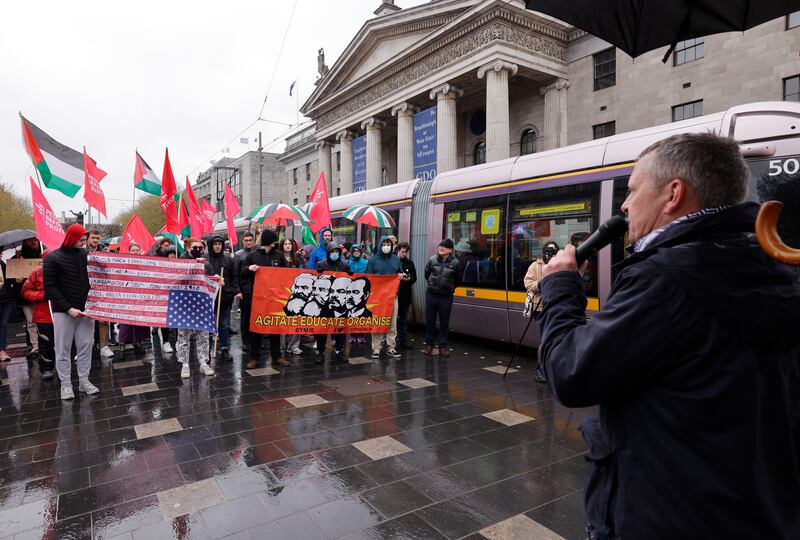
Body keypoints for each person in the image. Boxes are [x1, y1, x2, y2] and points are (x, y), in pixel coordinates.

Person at [538, 133, 800, 539]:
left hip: (667, 513)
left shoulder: (665, 277)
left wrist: (559, 289)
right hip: (755, 510)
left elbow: (571, 373)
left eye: (632, 190)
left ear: (673, 194)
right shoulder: (769, 264)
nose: (624, 205)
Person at [43, 224, 99, 400]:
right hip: (63, 311)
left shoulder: (87, 255)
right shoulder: (53, 258)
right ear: (71, 238)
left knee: (85, 346)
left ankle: (84, 381)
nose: (84, 243)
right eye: (81, 240)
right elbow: (50, 288)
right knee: (62, 348)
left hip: (87, 310)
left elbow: (98, 278)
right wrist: (68, 308)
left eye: (85, 240)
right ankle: (66, 383)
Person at [240, 229, 288, 369]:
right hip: (258, 298)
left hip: (275, 298)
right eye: (273, 240)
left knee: (274, 327)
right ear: (269, 241)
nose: (276, 242)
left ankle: (277, 356)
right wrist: (249, 269)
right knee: (256, 327)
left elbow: (286, 274)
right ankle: (254, 357)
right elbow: (242, 274)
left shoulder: (278, 256)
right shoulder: (252, 256)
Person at [173, 239, 216, 378]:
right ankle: (185, 364)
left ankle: (203, 362)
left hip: (201, 304)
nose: (198, 249)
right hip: (184, 304)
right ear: (187, 249)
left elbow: (210, 279)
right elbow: (176, 279)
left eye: (200, 247)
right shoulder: (180, 262)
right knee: (183, 336)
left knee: (202, 334)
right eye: (194, 247)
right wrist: (193, 265)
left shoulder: (206, 262)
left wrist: (217, 280)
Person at [523, 240, 559, 383]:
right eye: (549, 251)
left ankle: (549, 367)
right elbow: (528, 283)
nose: (551, 254)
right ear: (544, 252)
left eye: (554, 251)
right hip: (541, 307)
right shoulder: (535, 266)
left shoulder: (558, 265)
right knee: (545, 340)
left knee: (553, 339)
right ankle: (540, 369)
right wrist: (542, 283)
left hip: (556, 306)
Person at [366, 236, 402, 359]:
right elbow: (369, 277)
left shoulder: (396, 259)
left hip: (392, 297)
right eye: (384, 244)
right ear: (380, 245)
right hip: (377, 298)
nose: (386, 246)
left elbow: (399, 272)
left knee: (392, 323)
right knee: (377, 322)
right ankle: (376, 348)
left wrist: (402, 276)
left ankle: (391, 347)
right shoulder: (373, 260)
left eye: (388, 244)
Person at [21, 250, 55, 378]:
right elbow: (26, 291)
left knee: (65, 344)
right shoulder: (36, 274)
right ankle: (46, 368)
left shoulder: (65, 273)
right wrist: (42, 296)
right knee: (46, 344)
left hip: (62, 315)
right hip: (43, 316)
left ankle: (66, 368)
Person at [423, 239, 460, 357]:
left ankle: (442, 347)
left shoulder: (456, 263)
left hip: (446, 296)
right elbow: (426, 274)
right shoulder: (432, 259)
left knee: (444, 322)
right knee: (430, 321)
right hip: (432, 294)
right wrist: (433, 285)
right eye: (440, 246)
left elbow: (458, 279)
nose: (441, 248)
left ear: (450, 250)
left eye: (444, 247)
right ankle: (429, 344)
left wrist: (449, 288)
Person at [314, 243, 349, 364]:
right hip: (324, 304)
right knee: (322, 329)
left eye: (337, 251)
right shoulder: (321, 264)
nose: (335, 254)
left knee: (340, 329)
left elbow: (349, 280)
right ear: (328, 252)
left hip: (339, 303)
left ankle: (339, 351)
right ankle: (320, 352)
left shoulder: (344, 265)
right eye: (332, 251)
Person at [206, 235, 238, 361]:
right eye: (215, 244)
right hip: (209, 299)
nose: (218, 246)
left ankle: (224, 348)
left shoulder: (228, 259)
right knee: (209, 325)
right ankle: (207, 349)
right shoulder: (206, 259)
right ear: (211, 245)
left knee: (224, 325)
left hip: (225, 297)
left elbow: (234, 276)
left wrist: (232, 291)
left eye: (220, 244)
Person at [116, 244, 150, 356]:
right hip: (127, 298)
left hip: (141, 297)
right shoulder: (124, 264)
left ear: (140, 251)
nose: (135, 252)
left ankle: (138, 344)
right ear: (129, 252)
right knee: (125, 323)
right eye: (133, 250)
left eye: (137, 250)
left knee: (140, 323)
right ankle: (122, 347)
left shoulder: (145, 264)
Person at [15, 237, 41, 359]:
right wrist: (17, 279)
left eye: (36, 241)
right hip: (25, 296)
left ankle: (44, 344)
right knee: (30, 321)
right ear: (25, 242)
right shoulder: (17, 259)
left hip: (40, 295)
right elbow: (9, 277)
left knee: (41, 321)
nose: (34, 243)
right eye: (31, 241)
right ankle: (35, 345)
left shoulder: (42, 256)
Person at [279, 237, 303, 355]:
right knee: (281, 320)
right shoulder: (277, 258)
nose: (288, 246)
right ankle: (280, 346)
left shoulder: (297, 260)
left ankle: (293, 346)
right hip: (281, 294)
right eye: (285, 244)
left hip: (294, 294)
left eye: (290, 244)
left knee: (296, 320)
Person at [234, 232, 256, 350]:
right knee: (245, 317)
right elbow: (235, 274)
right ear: (243, 241)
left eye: (250, 240)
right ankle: (245, 341)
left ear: (253, 240)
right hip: (245, 290)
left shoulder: (257, 253)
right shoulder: (238, 255)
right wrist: (238, 291)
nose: (248, 242)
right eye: (246, 240)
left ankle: (255, 340)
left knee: (256, 316)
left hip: (257, 290)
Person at [394, 241, 417, 349]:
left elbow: (414, 278)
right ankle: (392, 342)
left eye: (406, 252)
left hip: (405, 295)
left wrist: (408, 279)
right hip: (393, 294)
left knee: (403, 319)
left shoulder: (409, 263)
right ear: (398, 250)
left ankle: (402, 341)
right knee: (393, 320)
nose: (404, 254)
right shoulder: (392, 261)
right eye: (403, 252)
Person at [156, 244, 177, 353]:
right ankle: (165, 342)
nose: (172, 257)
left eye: (174, 255)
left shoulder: (180, 266)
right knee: (165, 321)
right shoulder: (161, 266)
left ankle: (178, 341)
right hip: (164, 297)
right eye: (170, 255)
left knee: (177, 320)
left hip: (177, 297)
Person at [346, 244, 369, 345]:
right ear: (351, 252)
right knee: (351, 313)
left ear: (361, 251)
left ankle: (361, 334)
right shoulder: (347, 262)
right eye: (354, 250)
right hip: (351, 290)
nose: (356, 252)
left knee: (361, 313)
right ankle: (352, 334)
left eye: (358, 250)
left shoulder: (366, 262)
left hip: (361, 290)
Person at [0, 257, 19, 363]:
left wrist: (17, 277)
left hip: (6, 298)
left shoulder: (2, 263)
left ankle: (2, 351)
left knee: (3, 325)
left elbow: (10, 278)